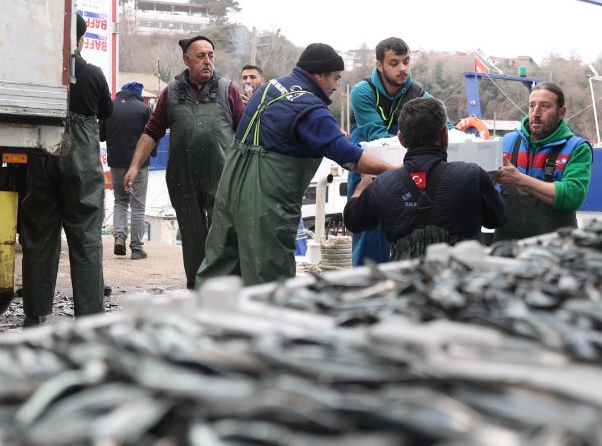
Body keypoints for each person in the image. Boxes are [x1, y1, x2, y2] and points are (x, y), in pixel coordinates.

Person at [197, 43, 397, 286]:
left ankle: (206, 320)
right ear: (318, 76)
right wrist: (395, 171)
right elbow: (349, 156)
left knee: (219, 269)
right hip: (265, 202)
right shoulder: (311, 109)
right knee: (268, 279)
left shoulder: (269, 86)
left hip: (229, 188)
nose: (335, 86)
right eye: (334, 78)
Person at [122, 35, 245, 289]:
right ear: (186, 60)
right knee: (192, 236)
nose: (207, 61)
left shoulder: (227, 89)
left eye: (211, 55)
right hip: (183, 178)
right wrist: (134, 166)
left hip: (221, 176)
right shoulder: (171, 93)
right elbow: (152, 132)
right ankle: (197, 288)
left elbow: (245, 133)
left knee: (223, 234)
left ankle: (225, 290)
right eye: (201, 56)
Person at [20, 15, 112, 326]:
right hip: (82, 155)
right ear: (81, 40)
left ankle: (34, 314)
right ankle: (88, 318)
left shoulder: (40, 72)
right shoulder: (94, 73)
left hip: (43, 148)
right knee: (86, 234)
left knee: (39, 234)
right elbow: (107, 113)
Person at [344, 98, 506, 260]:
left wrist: (361, 186)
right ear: (444, 135)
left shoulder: (381, 185)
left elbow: (352, 220)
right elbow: (497, 219)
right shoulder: (473, 176)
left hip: (408, 281)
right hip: (461, 279)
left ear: (401, 139)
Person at [347, 37, 439, 266]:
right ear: (379, 64)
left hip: (407, 170)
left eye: (406, 61)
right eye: (394, 62)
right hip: (370, 170)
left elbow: (440, 123)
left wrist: (461, 132)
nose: (403, 68)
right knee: (369, 235)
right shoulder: (362, 92)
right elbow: (376, 135)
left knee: (410, 233)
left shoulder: (418, 93)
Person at [492, 82, 593, 241]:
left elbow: (572, 196)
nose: (536, 113)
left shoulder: (577, 148)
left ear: (562, 112)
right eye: (532, 106)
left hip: (557, 249)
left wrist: (519, 179)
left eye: (544, 106)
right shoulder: (506, 142)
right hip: (508, 248)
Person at [101, 81, 153, 259]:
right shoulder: (144, 109)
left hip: (116, 163)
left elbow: (101, 135)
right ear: (138, 94)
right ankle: (137, 248)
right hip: (138, 165)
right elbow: (153, 135)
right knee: (137, 206)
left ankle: (120, 238)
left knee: (120, 201)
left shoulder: (110, 107)